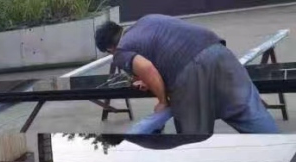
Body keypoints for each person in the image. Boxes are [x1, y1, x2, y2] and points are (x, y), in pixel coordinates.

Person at [94, 15, 279, 134]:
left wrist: (162, 101)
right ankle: (284, 159)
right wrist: (148, 81)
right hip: (218, 50)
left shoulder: (120, 51)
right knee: (246, 109)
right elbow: (162, 52)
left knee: (192, 136)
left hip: (192, 68)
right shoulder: (146, 21)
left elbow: (147, 68)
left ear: (110, 48)